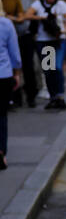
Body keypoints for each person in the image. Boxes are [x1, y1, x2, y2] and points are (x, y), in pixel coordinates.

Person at [31, 0, 66, 110]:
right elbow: (25, 16)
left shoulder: (61, 5)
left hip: (58, 40)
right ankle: (53, 97)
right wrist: (41, 17)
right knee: (48, 70)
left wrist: (64, 30)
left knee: (57, 67)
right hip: (44, 41)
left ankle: (60, 96)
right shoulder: (38, 4)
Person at [0, 11, 22, 168]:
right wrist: (17, 72)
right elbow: (15, 54)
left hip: (48, 47)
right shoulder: (6, 24)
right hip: (3, 75)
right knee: (1, 115)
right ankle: (1, 152)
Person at [12, 0, 38, 108]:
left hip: (46, 41)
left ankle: (35, 95)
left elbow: (28, 17)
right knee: (16, 67)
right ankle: (17, 98)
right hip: (17, 38)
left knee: (32, 67)